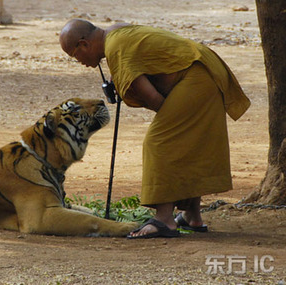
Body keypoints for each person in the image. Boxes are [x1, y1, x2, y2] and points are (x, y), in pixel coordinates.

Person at [59, 19, 250, 238]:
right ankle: (192, 216)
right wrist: (120, 77)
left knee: (159, 142)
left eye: (74, 55)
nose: (79, 61)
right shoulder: (113, 34)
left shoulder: (115, 48)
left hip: (197, 77)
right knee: (187, 143)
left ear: (84, 44)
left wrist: (170, 118)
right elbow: (136, 48)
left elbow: (154, 100)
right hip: (203, 69)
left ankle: (164, 220)